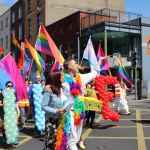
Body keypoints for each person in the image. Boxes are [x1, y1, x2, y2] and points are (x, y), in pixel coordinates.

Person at [62, 57, 100, 150]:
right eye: (75, 63)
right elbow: (51, 83)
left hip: (79, 112)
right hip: (68, 113)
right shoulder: (62, 78)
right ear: (70, 66)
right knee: (71, 141)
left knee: (75, 139)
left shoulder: (80, 78)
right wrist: (46, 86)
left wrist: (100, 61)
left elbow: (94, 73)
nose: (77, 65)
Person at [42, 71, 67, 150]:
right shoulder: (49, 91)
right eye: (61, 76)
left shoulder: (62, 89)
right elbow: (43, 106)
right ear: (56, 78)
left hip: (61, 120)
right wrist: (56, 110)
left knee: (59, 143)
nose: (63, 77)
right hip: (51, 121)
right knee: (50, 144)